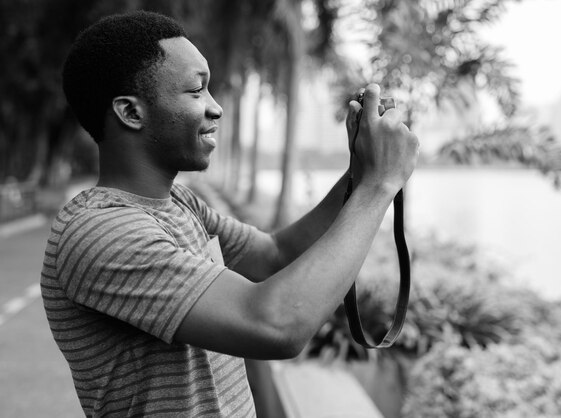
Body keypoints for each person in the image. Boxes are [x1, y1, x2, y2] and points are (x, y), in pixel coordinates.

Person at [41, 10, 419, 418]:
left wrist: (360, 171)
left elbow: (276, 255)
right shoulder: (100, 232)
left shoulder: (183, 204)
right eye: (196, 91)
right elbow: (275, 326)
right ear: (131, 113)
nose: (216, 108)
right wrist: (379, 186)